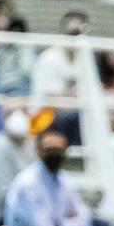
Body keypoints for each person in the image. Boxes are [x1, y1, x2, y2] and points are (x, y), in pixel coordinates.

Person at [31, 10, 89, 143]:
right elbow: (52, 99)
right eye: (72, 34)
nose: (75, 39)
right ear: (62, 33)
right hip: (45, 116)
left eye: (79, 34)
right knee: (73, 116)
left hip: (74, 112)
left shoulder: (85, 61)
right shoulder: (48, 59)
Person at [0, 100, 35, 225]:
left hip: (31, 215)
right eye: (10, 112)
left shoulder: (32, 146)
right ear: (2, 117)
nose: (18, 116)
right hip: (4, 217)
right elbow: (3, 194)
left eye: (23, 111)